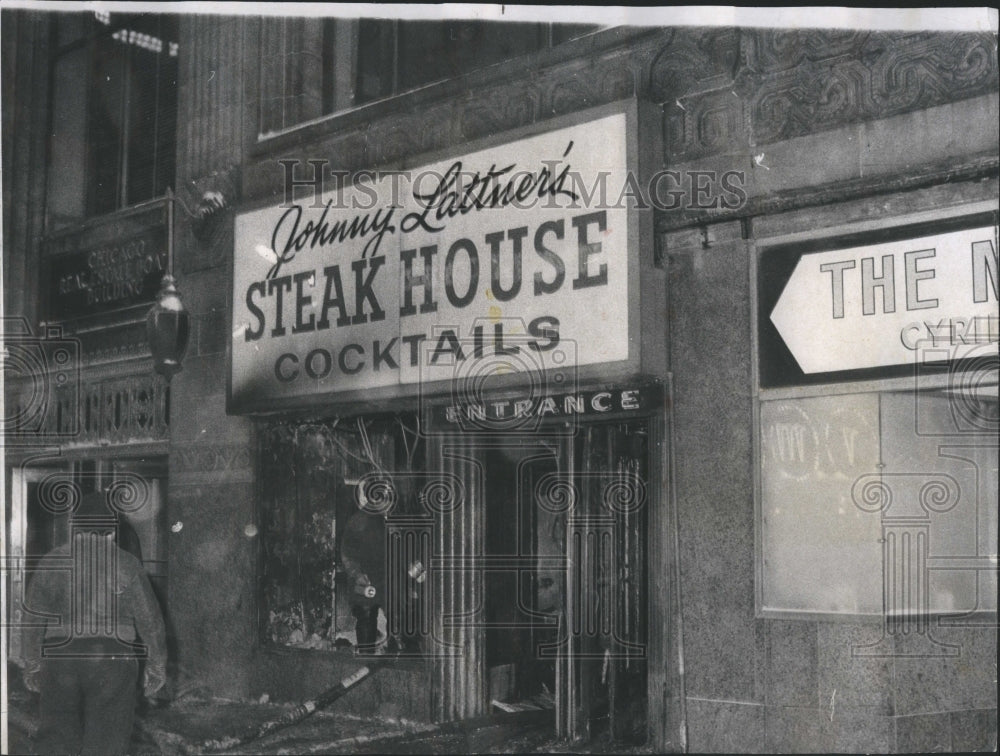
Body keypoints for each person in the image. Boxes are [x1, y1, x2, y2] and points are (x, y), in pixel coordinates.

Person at [22, 491, 167, 755]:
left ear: (74, 527)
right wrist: (156, 667)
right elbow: (150, 621)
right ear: (112, 530)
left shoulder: (51, 561)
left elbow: (32, 620)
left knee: (56, 742)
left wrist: (32, 665)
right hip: (112, 662)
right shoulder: (127, 564)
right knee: (106, 743)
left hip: (59, 658)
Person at [339, 482, 388, 655]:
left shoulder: (385, 519)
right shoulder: (360, 521)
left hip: (384, 578)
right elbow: (347, 553)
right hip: (366, 579)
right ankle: (366, 659)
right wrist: (357, 575)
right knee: (367, 615)